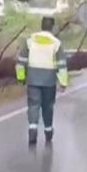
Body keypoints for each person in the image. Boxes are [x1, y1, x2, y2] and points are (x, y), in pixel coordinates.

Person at [15, 16, 68, 145]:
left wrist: (21, 77)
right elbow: (62, 65)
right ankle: (48, 131)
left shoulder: (30, 41)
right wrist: (63, 83)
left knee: (33, 104)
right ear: (52, 27)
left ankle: (32, 128)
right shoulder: (56, 43)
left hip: (33, 78)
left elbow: (21, 62)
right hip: (49, 80)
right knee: (47, 106)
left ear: (41, 25)